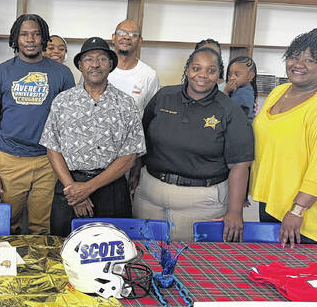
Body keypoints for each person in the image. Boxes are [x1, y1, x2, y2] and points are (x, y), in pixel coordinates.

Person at [130, 47, 254, 243]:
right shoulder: (164, 96)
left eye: (211, 70)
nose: (202, 75)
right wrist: (135, 173)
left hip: (202, 202)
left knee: (190, 264)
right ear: (187, 70)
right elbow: (141, 138)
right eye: (197, 68)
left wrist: (235, 211)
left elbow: (240, 165)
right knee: (145, 256)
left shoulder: (230, 110)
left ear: (218, 75)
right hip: (149, 195)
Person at [40, 37, 146, 236]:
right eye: (89, 59)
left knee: (112, 252)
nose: (95, 64)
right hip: (69, 187)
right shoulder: (63, 101)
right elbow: (52, 148)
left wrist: (87, 189)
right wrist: (75, 191)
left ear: (111, 65)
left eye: (102, 59)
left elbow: (129, 157)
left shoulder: (126, 104)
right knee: (64, 249)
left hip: (111, 188)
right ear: (80, 65)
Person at [0, 14, 75, 234]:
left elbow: (69, 124)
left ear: (44, 38)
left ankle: (37, 268)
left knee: (41, 227)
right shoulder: (0, 72)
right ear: (16, 38)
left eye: (36, 34)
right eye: (24, 34)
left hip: (48, 162)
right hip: (10, 160)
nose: (30, 39)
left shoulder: (62, 73)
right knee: (6, 226)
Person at [250, 30, 317, 246]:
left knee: (298, 274)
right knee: (271, 271)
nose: (299, 64)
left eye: (310, 60)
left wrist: (298, 210)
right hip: (273, 201)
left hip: (302, 215)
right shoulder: (278, 91)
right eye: (295, 57)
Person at [107, 19, 160, 114]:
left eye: (133, 35)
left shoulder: (149, 75)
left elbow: (151, 113)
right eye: (122, 33)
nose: (127, 37)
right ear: (113, 37)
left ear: (140, 41)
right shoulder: (97, 70)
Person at [223, 56, 257, 122]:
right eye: (229, 74)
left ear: (251, 76)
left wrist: (225, 92)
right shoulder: (245, 90)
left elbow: (226, 111)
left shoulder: (243, 94)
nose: (232, 78)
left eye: (237, 74)